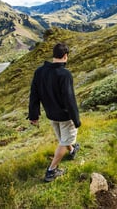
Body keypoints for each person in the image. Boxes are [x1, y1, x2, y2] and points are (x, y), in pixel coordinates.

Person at [28, 42, 81, 182]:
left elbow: (34, 94)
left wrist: (34, 115)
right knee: (64, 141)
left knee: (64, 139)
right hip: (65, 115)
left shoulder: (39, 71)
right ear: (65, 56)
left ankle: (72, 151)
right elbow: (69, 99)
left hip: (51, 114)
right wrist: (76, 119)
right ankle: (51, 170)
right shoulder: (65, 74)